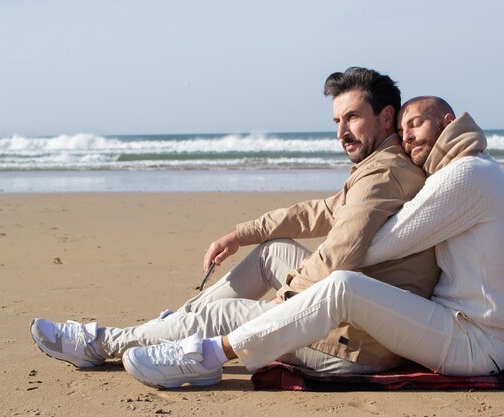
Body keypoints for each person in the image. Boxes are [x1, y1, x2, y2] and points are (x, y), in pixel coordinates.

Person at [30, 68, 439, 379]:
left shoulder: (383, 175)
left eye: (352, 118)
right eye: (336, 121)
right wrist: (240, 234)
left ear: (387, 118)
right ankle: (170, 328)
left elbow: (339, 253)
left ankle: (102, 343)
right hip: (358, 321)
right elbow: (316, 212)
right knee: (273, 252)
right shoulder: (379, 168)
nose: (341, 132)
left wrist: (281, 305)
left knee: (226, 313)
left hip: (356, 346)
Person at [120, 95, 504, 389]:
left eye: (417, 124)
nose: (407, 138)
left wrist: (294, 297)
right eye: (403, 129)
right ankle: (175, 325)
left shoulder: (464, 176)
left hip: (477, 342)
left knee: (343, 284)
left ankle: (207, 354)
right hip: (456, 326)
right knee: (285, 255)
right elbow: (327, 211)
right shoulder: (460, 171)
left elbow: (379, 246)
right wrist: (249, 235)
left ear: (447, 122)